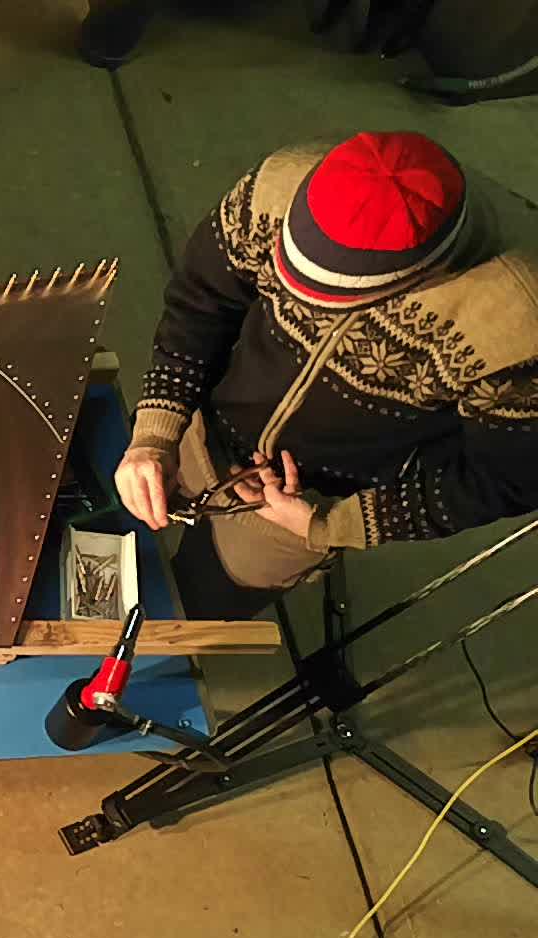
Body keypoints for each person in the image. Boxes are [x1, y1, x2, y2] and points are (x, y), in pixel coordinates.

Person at [114, 131, 538, 614]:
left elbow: (506, 479)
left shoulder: (519, 327)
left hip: (302, 510)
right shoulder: (276, 187)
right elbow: (200, 302)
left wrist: (334, 523)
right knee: (102, 538)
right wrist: (156, 429)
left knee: (188, 612)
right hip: (198, 429)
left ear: (419, 277)